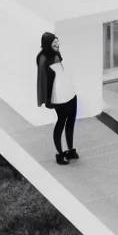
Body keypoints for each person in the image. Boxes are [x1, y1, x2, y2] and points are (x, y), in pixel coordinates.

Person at [36, 32, 79, 165]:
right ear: (48, 44)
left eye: (57, 41)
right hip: (59, 97)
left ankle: (70, 149)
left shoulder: (56, 55)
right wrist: (48, 99)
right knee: (61, 123)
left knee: (71, 122)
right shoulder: (43, 58)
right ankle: (60, 153)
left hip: (70, 94)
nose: (57, 44)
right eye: (54, 43)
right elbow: (43, 80)